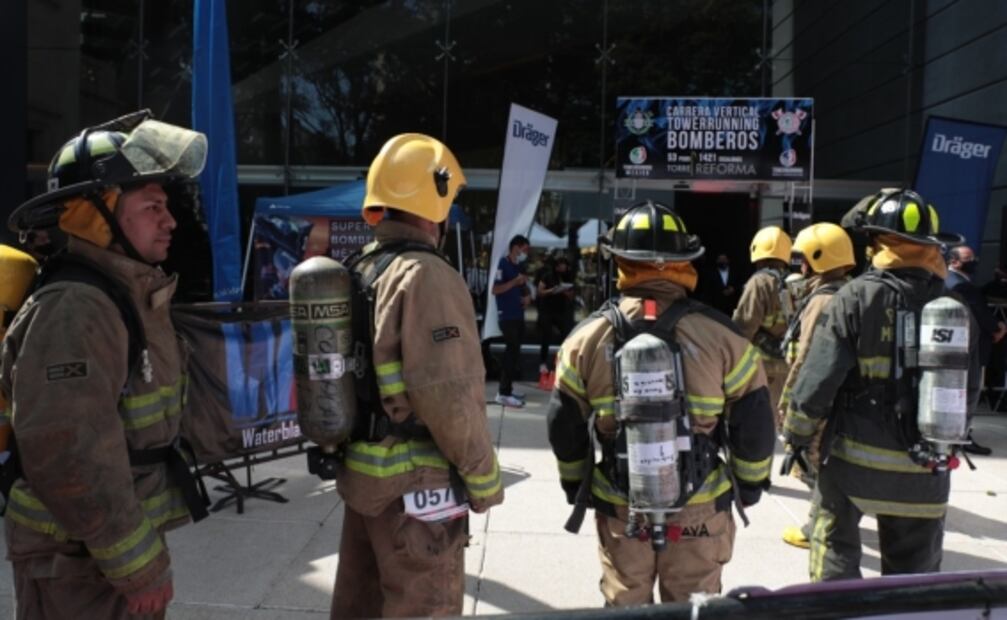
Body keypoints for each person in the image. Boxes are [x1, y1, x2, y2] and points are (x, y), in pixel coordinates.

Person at [0, 110, 209, 618]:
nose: (171, 220)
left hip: (98, 548)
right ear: (97, 211)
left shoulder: (120, 294)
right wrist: (137, 564)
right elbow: (70, 452)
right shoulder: (77, 307)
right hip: (78, 558)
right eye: (152, 205)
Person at [548, 200, 775, 606]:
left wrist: (574, 483)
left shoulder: (584, 339)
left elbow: (564, 424)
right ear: (684, 261)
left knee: (625, 608)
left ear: (619, 260)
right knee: (694, 610)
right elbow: (755, 420)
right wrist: (750, 484)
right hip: (701, 509)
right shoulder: (724, 337)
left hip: (622, 507)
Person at [330, 133, 504, 618]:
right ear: (436, 201)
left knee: (359, 608)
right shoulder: (426, 275)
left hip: (364, 485)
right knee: (426, 608)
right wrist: (483, 478)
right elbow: (447, 393)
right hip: (417, 491)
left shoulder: (360, 268)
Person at [784, 189, 981, 582]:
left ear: (877, 242)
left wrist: (796, 435)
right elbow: (967, 392)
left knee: (834, 555)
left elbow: (817, 381)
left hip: (851, 467)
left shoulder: (855, 297)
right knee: (912, 585)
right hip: (925, 468)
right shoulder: (953, 310)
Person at [777, 223, 855, 549]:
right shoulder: (851, 293)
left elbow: (808, 354)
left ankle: (816, 529)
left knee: (813, 463)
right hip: (841, 398)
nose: (801, 267)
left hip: (819, 399)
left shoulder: (821, 300)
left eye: (804, 259)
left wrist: (789, 400)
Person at [946, 244, 1003, 455]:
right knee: (968, 393)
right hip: (970, 348)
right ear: (953, 261)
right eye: (968, 259)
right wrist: (997, 327)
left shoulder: (947, 281)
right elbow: (979, 313)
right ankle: (962, 437)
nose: (974, 262)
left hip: (955, 349)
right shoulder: (961, 286)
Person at [733, 226, 794, 422]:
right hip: (788, 364)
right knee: (782, 418)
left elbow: (743, 326)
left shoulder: (759, 283)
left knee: (762, 421)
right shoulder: (796, 282)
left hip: (761, 367)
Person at [492, 234, 531, 407]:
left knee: (515, 353)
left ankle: (508, 388)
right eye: (524, 249)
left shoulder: (519, 266)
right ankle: (503, 392)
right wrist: (514, 282)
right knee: (511, 352)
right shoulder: (503, 264)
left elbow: (522, 288)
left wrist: (527, 297)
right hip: (506, 315)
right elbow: (495, 289)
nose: (525, 253)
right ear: (516, 247)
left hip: (518, 314)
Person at [535, 253, 576, 388]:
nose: (564, 268)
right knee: (546, 335)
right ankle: (542, 362)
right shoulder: (548, 275)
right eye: (561, 265)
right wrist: (553, 290)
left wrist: (565, 292)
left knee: (566, 335)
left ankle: (562, 361)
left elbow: (571, 296)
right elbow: (540, 292)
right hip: (547, 309)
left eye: (565, 265)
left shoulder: (568, 277)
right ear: (557, 266)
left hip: (560, 311)